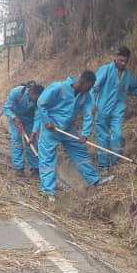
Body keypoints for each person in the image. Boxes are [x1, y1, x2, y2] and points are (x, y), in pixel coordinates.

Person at [35, 70, 112, 201]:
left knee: (80, 152)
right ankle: (48, 192)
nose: (91, 88)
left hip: (67, 128)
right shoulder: (58, 87)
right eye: (91, 85)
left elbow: (88, 115)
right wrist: (47, 121)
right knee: (47, 159)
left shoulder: (85, 95)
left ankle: (96, 181)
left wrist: (85, 134)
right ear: (84, 82)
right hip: (50, 129)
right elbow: (41, 103)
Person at [91, 45, 137, 171]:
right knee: (103, 138)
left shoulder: (128, 75)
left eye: (125, 61)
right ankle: (104, 165)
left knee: (117, 135)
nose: (123, 63)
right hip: (102, 110)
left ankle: (115, 161)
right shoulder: (105, 70)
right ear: (116, 57)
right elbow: (94, 88)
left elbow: (134, 88)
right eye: (121, 60)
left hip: (117, 111)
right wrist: (92, 104)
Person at [2, 81, 44, 177]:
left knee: (31, 141)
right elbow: (7, 108)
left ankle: (35, 168)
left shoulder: (39, 100)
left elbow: (38, 116)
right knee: (17, 140)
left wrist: (34, 132)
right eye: (36, 99)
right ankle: (19, 167)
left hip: (29, 120)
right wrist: (13, 117)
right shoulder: (16, 92)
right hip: (15, 118)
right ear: (31, 93)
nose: (37, 101)